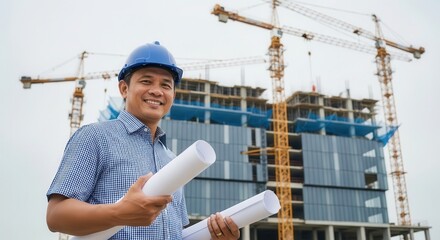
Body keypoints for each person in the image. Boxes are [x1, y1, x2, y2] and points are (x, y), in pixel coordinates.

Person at [46, 41, 241, 240]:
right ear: (124, 89)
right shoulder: (95, 137)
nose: (157, 91)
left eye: (166, 85)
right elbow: (56, 216)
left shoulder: (173, 161)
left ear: (173, 95)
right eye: (146, 81)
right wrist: (119, 213)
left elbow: (175, 235)